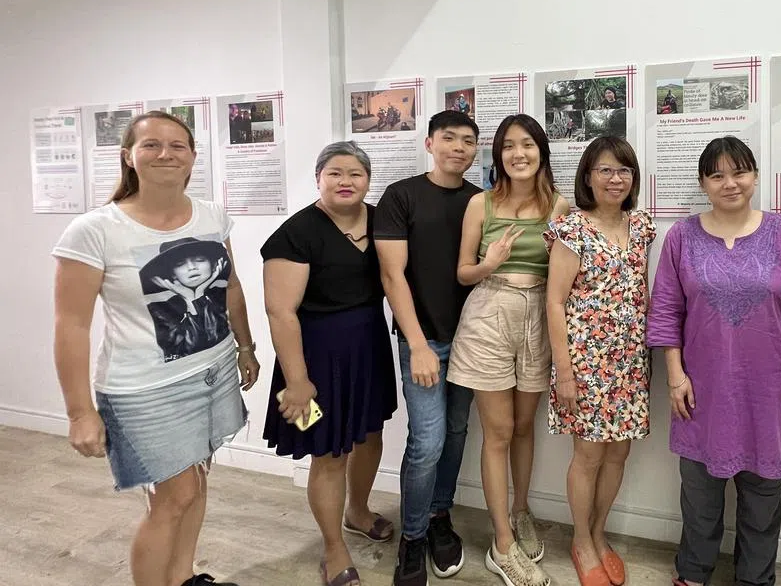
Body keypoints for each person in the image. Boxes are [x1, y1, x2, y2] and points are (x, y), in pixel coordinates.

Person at [52, 110, 260, 586]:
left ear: (192, 158)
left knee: (195, 483)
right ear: (129, 157)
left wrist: (245, 348)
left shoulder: (210, 215)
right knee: (174, 496)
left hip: (213, 371)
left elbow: (229, 288)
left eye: (177, 145)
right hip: (145, 390)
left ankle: (183, 577)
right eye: (151, 145)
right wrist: (79, 412)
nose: (165, 153)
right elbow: (71, 326)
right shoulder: (94, 230)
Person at [646, 136, 781, 586]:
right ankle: (692, 573)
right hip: (701, 390)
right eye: (717, 175)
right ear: (703, 183)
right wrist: (675, 376)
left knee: (764, 502)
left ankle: (755, 579)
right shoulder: (681, 236)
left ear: (755, 176)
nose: (730, 183)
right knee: (700, 498)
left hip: (770, 392)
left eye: (739, 172)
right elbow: (666, 309)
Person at [261, 142, 398, 586]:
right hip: (316, 355)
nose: (345, 182)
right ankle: (333, 548)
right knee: (330, 453)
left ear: (368, 180)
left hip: (368, 343)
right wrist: (298, 381)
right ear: (318, 178)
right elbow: (281, 311)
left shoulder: (381, 220)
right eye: (335, 173)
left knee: (370, 434)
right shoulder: (296, 233)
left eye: (355, 174)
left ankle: (357, 511)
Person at [447, 114, 571, 586]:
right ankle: (502, 544)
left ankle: (520, 511)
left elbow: (562, 275)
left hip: (539, 314)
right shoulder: (480, 203)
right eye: (508, 146)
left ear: (541, 151)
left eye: (527, 145)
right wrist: (488, 263)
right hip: (489, 312)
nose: (518, 154)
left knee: (523, 426)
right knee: (497, 431)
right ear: (498, 156)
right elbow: (462, 272)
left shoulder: (558, 206)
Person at [375, 111, 483, 586]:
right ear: (430, 143)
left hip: (474, 340)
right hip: (425, 340)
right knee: (427, 443)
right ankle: (412, 536)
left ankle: (440, 517)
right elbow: (391, 275)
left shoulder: (481, 201)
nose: (458, 147)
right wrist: (417, 344)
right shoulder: (401, 196)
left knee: (456, 433)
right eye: (449, 139)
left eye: (468, 141)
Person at [544, 136, 656, 586]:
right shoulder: (572, 229)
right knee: (588, 455)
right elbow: (554, 303)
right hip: (585, 362)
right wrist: (565, 374)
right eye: (605, 170)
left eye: (624, 170)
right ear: (588, 176)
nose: (615, 178)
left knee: (619, 454)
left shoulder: (642, 225)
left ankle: (599, 532)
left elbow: (640, 287)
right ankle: (581, 541)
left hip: (630, 360)